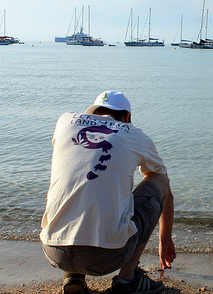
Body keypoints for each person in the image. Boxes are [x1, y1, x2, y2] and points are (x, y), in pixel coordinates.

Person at [40, 90, 175, 294]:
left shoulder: (65, 121)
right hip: (106, 257)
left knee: (79, 181)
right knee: (160, 180)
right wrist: (165, 241)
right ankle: (128, 279)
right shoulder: (134, 134)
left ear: (93, 112)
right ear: (127, 117)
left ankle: (72, 275)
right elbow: (162, 185)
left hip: (53, 251)